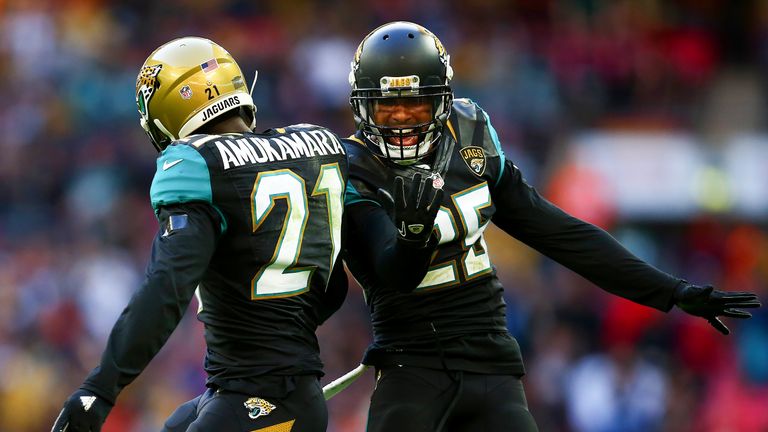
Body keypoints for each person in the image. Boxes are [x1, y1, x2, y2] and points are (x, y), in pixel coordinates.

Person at [341, 21, 761, 432]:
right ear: (363, 106)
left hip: (488, 360)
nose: (400, 120)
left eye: (414, 104)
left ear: (442, 100)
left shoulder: (468, 132)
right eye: (386, 105)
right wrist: (414, 239)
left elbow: (556, 232)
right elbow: (394, 273)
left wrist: (670, 290)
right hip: (409, 363)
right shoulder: (355, 168)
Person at [51, 36, 348, 432]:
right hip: (267, 391)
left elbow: (167, 288)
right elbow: (335, 286)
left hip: (262, 398)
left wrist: (100, 388)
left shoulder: (197, 164)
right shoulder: (317, 144)